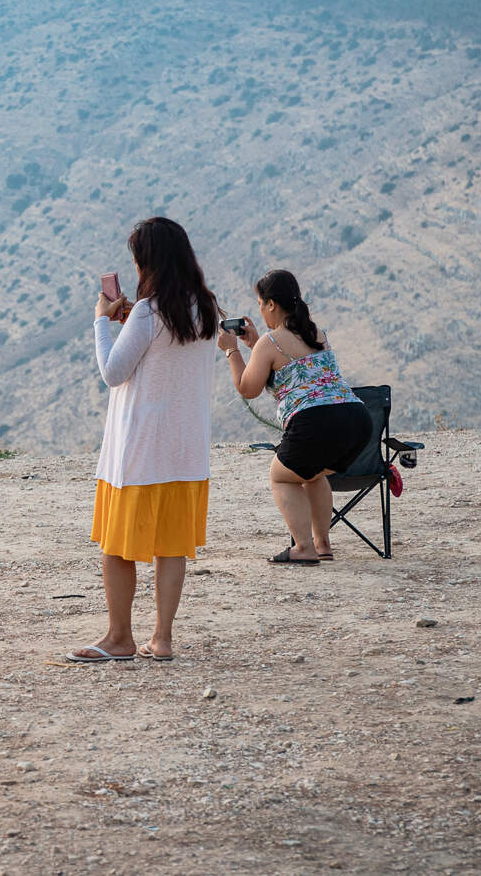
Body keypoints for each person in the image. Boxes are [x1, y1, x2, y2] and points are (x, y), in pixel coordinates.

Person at [69, 217, 218, 665]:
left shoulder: (149, 314)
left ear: (146, 262)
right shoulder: (205, 308)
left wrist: (101, 322)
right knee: (171, 548)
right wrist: (134, 318)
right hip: (186, 452)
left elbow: (113, 372)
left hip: (139, 451)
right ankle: (162, 639)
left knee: (118, 547)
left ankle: (120, 638)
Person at [218, 268, 372, 564]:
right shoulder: (317, 334)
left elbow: (248, 388)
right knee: (312, 474)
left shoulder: (270, 342)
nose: (260, 310)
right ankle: (322, 544)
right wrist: (255, 345)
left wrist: (231, 351)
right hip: (357, 420)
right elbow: (286, 365)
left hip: (315, 423)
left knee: (281, 477)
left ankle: (303, 547)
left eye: (260, 304)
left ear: (271, 304)